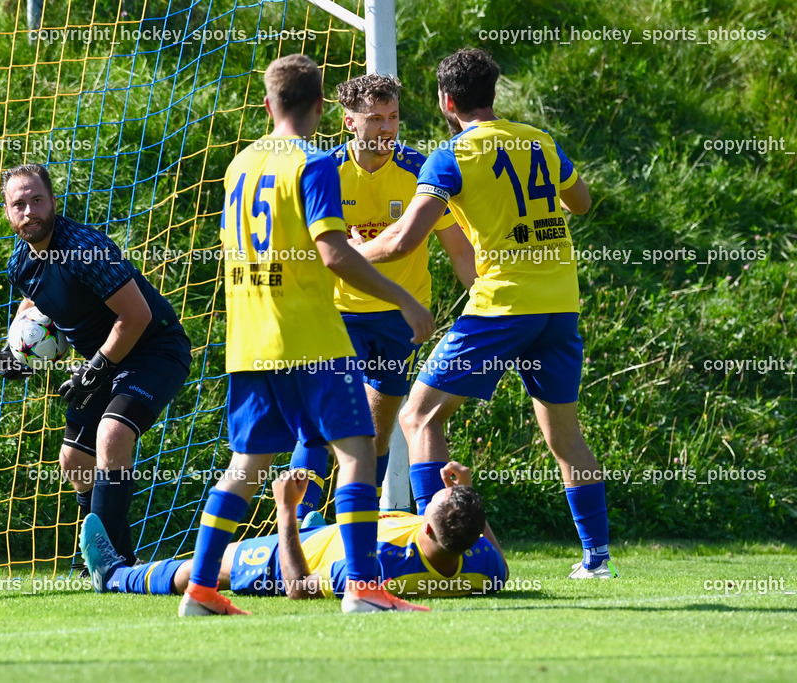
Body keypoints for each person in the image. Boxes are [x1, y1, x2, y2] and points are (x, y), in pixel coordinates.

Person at [177, 54, 436, 616]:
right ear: (323, 107)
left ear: (269, 104)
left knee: (245, 466)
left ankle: (199, 588)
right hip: (311, 339)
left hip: (248, 342)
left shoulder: (239, 165)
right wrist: (404, 298)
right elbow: (334, 253)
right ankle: (364, 588)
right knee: (358, 451)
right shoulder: (312, 164)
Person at [354, 48, 617, 579]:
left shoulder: (451, 156)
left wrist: (346, 254)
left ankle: (442, 550)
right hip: (560, 303)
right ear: (492, 95)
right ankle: (597, 559)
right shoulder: (539, 141)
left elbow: (405, 240)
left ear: (446, 101)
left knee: (419, 416)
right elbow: (582, 202)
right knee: (564, 434)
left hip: (503, 305)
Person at [289, 73, 476, 518]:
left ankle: (359, 524)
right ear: (350, 123)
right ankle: (298, 522)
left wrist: (484, 302)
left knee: (377, 429)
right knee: (321, 423)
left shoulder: (419, 171)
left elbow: (457, 248)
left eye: (393, 117)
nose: (387, 128)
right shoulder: (324, 173)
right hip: (338, 314)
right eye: (375, 119)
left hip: (399, 320)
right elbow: (301, 252)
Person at [0, 163, 192, 569]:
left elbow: (136, 316)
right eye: (20, 204)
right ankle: (113, 556)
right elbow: (34, 301)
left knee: (113, 433)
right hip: (103, 361)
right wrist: (14, 348)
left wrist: (99, 365)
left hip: (154, 348)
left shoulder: (84, 249)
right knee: (74, 461)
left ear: (53, 201)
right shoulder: (21, 261)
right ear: (8, 212)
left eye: (37, 200)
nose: (30, 210)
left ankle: (106, 560)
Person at [79, 462, 507, 601]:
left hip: (289, 560)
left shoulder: (379, 568)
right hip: (332, 539)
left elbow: (298, 587)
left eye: (430, 500)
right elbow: (499, 560)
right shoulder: (484, 566)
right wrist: (464, 494)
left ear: (428, 525)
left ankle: (114, 575)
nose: (429, 495)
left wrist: (283, 510)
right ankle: (313, 521)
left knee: (201, 570)